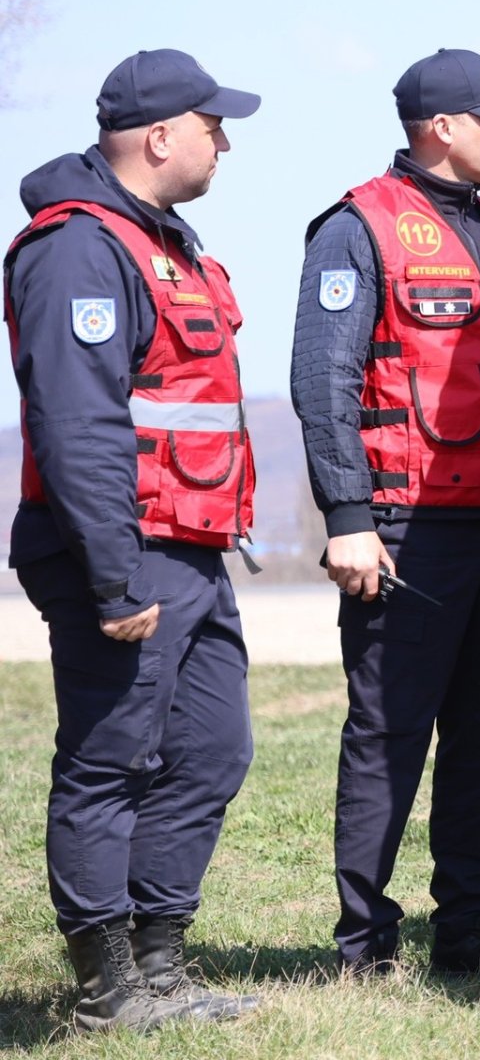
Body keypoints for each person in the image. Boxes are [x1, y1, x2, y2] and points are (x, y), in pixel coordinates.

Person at [4, 50, 261, 1032]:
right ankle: (108, 989)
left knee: (211, 751)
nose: (225, 142)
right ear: (159, 136)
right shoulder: (77, 248)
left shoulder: (164, 243)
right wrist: (112, 580)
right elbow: (78, 425)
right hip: (119, 551)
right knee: (111, 760)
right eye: (212, 125)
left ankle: (160, 966)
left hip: (190, 545)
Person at [291, 49, 480, 978]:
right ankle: (363, 944)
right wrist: (346, 515)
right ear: (441, 127)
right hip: (404, 528)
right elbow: (321, 377)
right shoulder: (357, 226)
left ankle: (466, 931)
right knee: (388, 733)